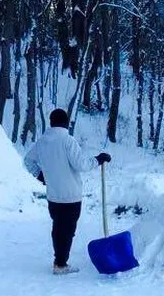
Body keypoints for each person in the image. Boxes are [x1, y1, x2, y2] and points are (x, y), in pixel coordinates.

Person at [24, 108, 111, 274]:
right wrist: (99, 159)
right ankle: (61, 264)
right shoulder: (67, 140)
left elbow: (28, 160)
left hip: (53, 196)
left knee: (58, 228)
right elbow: (82, 165)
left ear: (51, 122)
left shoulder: (42, 141)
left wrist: (40, 175)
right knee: (67, 231)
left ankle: (59, 261)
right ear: (65, 123)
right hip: (71, 196)